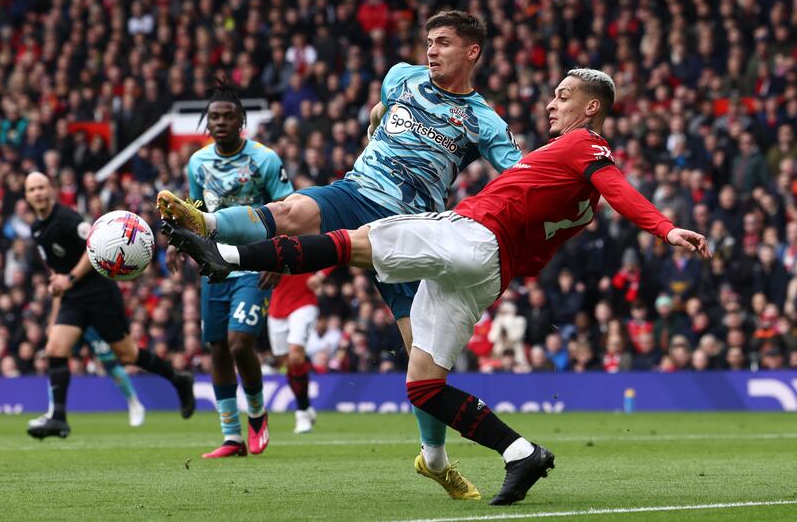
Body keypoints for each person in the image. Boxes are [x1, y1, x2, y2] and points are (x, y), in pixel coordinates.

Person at [163, 68, 711, 505]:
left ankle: (224, 255)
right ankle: (521, 452)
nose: (552, 104)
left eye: (564, 96)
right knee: (424, 384)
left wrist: (664, 228)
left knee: (350, 242)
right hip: (486, 275)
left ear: (591, 107)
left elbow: (614, 183)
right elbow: (590, 196)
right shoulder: (574, 188)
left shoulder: (584, 145)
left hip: (471, 237)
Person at [159, 10, 522, 499]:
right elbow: (380, 112)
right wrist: (376, 128)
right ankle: (207, 224)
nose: (431, 50)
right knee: (295, 211)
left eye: (443, 43)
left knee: (425, 361)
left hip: (410, 232)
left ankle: (434, 460)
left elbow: (521, 176)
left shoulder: (483, 120)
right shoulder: (402, 77)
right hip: (355, 193)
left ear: (472, 52)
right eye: (429, 42)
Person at [166, 78, 294, 458]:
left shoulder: (265, 159)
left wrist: (280, 257)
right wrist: (179, 241)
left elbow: (288, 210)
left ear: (242, 122)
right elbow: (196, 212)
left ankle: (256, 415)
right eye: (215, 117)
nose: (221, 122)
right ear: (207, 123)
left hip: (254, 262)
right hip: (214, 264)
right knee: (217, 347)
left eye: (229, 116)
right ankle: (231, 437)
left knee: (241, 344)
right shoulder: (198, 162)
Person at [24, 172, 194, 440]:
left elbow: (92, 250)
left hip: (99, 292)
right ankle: (57, 418)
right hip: (73, 298)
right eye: (32, 189)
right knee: (55, 350)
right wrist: (59, 287)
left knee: (127, 355)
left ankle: (178, 379)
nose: (38, 193)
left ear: (51, 190)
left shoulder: (66, 218)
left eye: (41, 188)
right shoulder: (37, 227)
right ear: (27, 195)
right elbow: (59, 269)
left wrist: (68, 279)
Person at [267, 271, 328, 433]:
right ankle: (306, 406)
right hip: (277, 307)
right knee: (287, 364)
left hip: (304, 301)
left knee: (296, 356)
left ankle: (301, 414)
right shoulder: (265, 243)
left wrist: (321, 274)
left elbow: (336, 245)